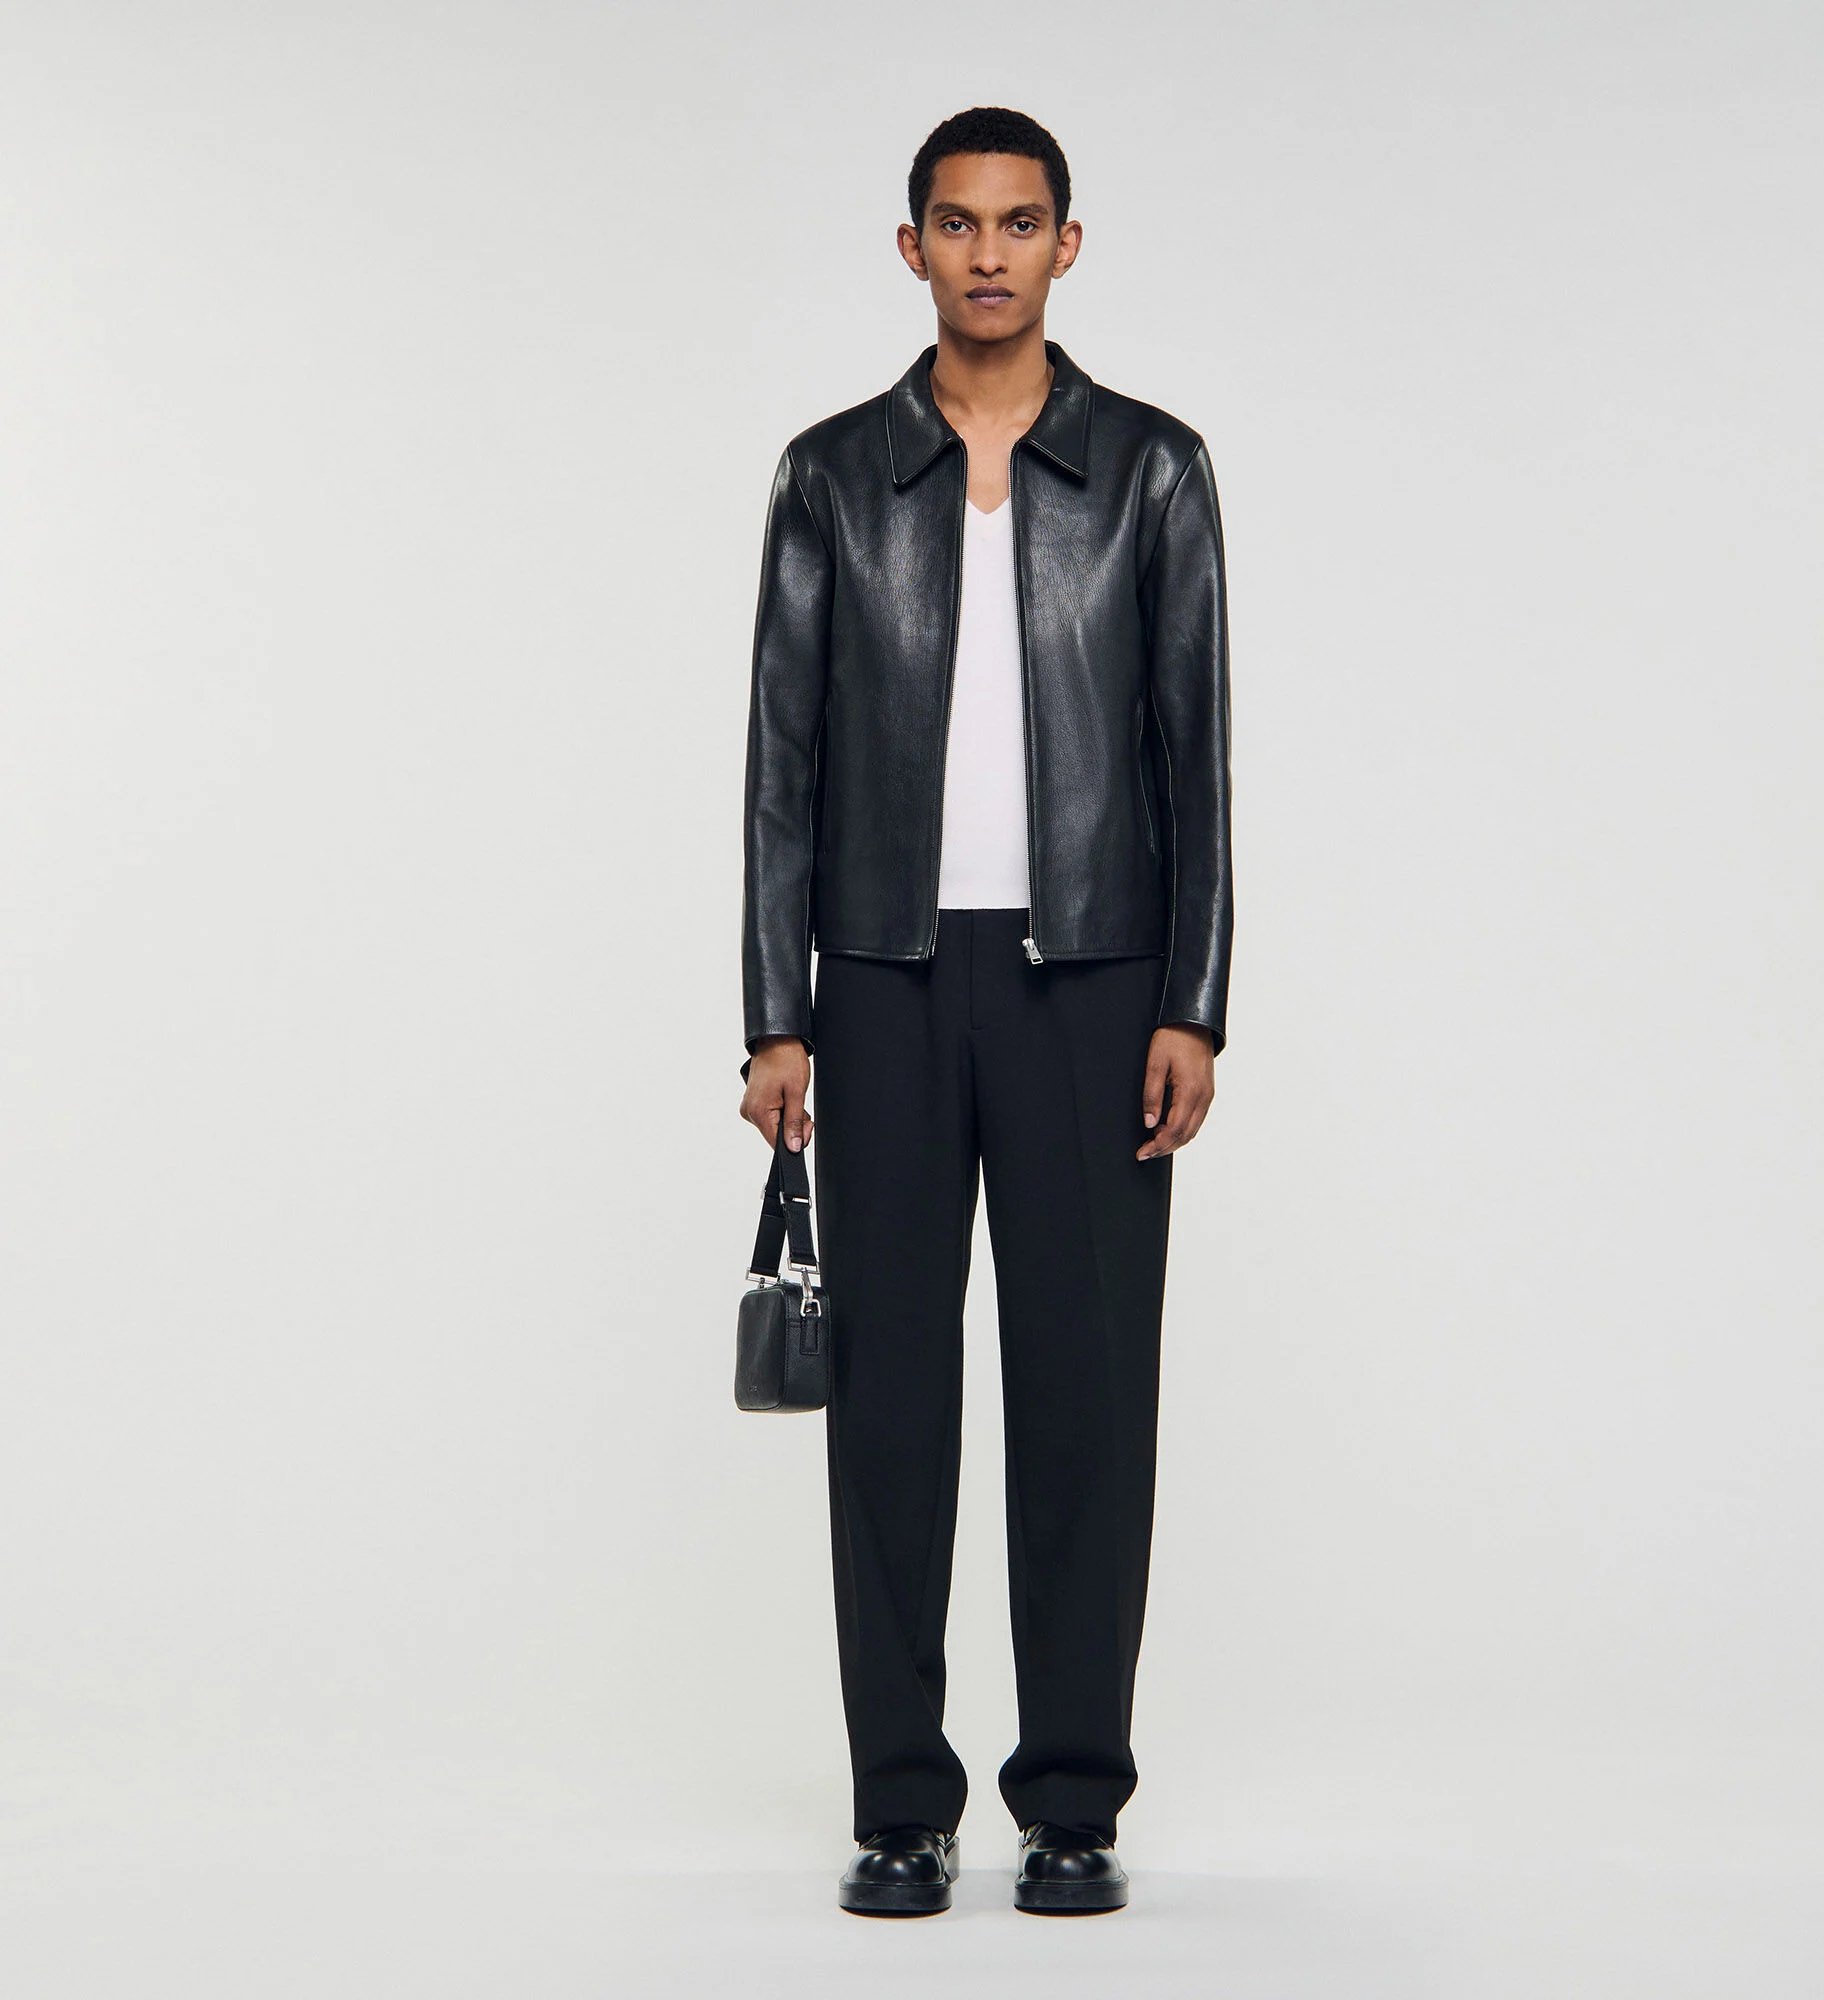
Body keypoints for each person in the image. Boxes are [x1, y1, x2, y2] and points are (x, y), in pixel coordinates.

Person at [737, 104, 1232, 1918]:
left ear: (1067, 246)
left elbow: (1197, 756)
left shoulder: (1154, 471)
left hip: (1093, 983)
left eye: (1022, 224)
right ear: (914, 249)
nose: (991, 254)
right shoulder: (830, 475)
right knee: (890, 1403)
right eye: (959, 224)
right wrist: (775, 1015)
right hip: (878, 979)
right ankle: (901, 1805)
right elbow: (780, 764)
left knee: (1088, 1392)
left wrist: (1194, 1001)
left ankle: (1074, 1803)